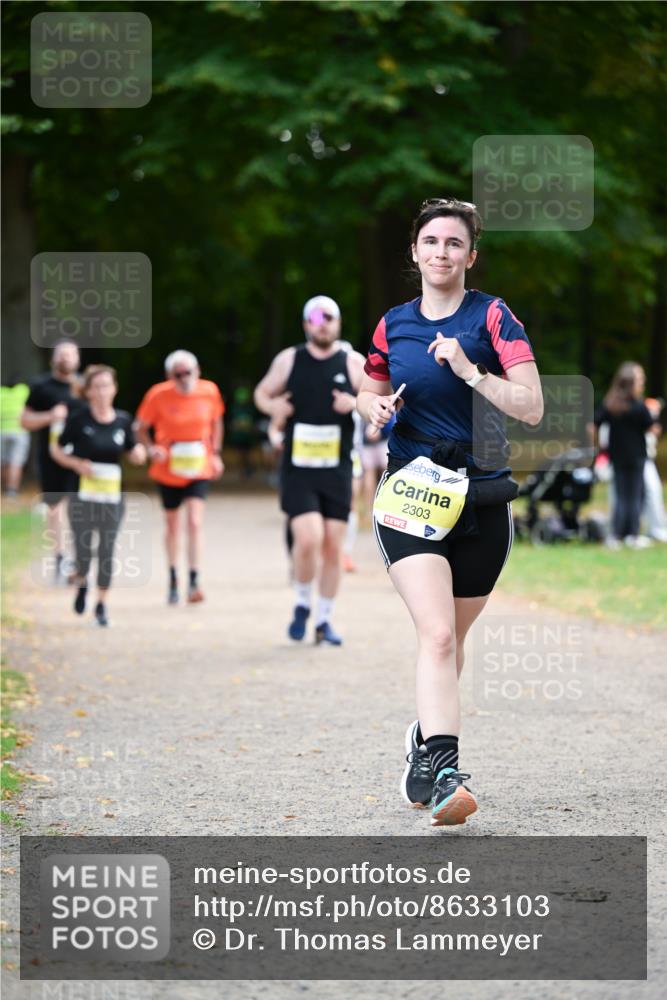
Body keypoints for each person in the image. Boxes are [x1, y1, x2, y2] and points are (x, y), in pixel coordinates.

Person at [356, 198, 543, 827]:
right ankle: (445, 773)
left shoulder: (492, 317)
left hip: (483, 496)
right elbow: (370, 388)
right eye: (430, 242)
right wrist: (372, 410)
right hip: (411, 496)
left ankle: (421, 742)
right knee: (435, 634)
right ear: (414, 252)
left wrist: (470, 372)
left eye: (454, 243)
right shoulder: (393, 324)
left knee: (452, 644)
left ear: (470, 255)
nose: (441, 252)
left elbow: (531, 406)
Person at [254, 295, 364, 645]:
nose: (322, 324)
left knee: (333, 547)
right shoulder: (290, 360)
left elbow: (380, 401)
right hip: (298, 469)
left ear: (338, 323)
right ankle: (302, 602)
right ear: (306, 324)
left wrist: (356, 403)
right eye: (316, 318)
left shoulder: (352, 362)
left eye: (329, 318)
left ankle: (324, 620)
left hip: (337, 470)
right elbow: (261, 393)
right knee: (308, 538)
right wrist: (274, 407)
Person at [50, 365, 146, 625]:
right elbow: (57, 450)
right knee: (83, 551)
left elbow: (133, 448)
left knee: (106, 550)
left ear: (114, 389)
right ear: (89, 391)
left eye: (107, 385)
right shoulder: (79, 419)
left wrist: (138, 454)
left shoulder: (123, 420)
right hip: (83, 494)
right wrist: (76, 464)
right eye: (98, 387)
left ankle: (101, 605)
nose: (103, 391)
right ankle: (82, 582)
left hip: (112, 497)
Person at [135, 351, 225, 604]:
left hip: (199, 463)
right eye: (178, 374)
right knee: (172, 524)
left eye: (189, 372)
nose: (184, 378)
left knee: (195, 521)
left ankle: (194, 579)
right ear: (169, 376)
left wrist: (216, 453)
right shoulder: (158, 395)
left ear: (197, 371)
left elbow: (217, 422)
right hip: (169, 466)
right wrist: (151, 447)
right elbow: (140, 427)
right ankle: (173, 577)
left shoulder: (209, 391)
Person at [20, 340, 82, 581]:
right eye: (61, 355)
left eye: (70, 355)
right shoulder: (41, 387)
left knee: (78, 508)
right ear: (53, 359)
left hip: (79, 456)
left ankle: (79, 559)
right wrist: (50, 416)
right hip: (50, 458)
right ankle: (60, 556)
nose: (65, 359)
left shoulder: (84, 387)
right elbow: (25, 421)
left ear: (78, 359)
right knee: (55, 509)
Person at [595, 362, 656, 549]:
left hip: (617, 456)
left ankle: (616, 534)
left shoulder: (611, 404)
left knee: (621, 495)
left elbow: (594, 423)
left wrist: (600, 447)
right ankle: (633, 534)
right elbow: (652, 428)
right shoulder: (640, 406)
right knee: (635, 495)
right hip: (637, 456)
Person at [1, 377, 30, 497]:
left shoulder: (1, 392)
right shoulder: (23, 390)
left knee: (2, 461)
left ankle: (3, 488)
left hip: (2, 429)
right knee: (16, 462)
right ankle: (11, 490)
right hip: (19, 429)